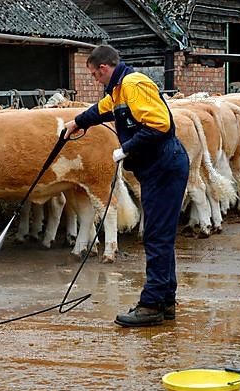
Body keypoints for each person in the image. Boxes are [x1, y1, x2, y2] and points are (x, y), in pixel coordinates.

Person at [64, 45, 189, 327]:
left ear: (104, 68)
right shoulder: (119, 90)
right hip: (157, 167)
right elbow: (103, 110)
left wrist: (126, 148)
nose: (96, 80)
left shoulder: (134, 84)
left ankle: (151, 306)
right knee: (161, 236)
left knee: (157, 237)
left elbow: (160, 125)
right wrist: (77, 122)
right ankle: (165, 301)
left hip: (164, 166)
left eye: (95, 74)